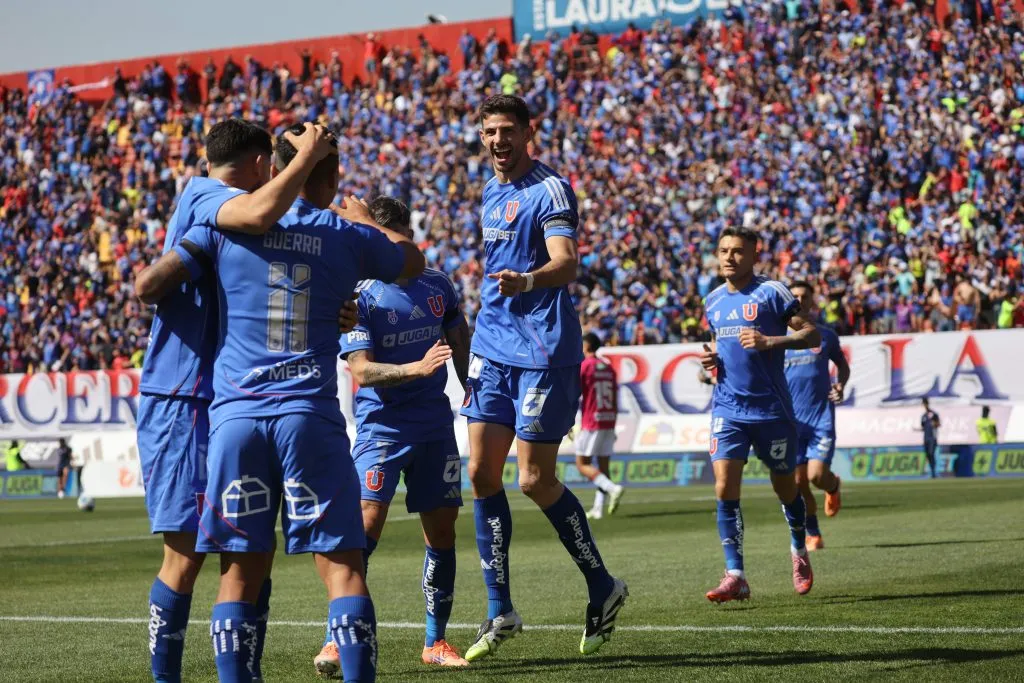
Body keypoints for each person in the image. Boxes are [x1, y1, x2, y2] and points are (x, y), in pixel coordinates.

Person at [136, 123, 423, 683]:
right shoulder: (324, 230)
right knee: (339, 566)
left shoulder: (223, 231)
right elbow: (409, 260)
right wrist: (361, 231)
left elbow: (154, 281)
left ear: (276, 167)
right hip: (276, 410)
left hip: (233, 413)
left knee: (240, 567)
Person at [133, 119, 334, 683]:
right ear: (253, 167)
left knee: (251, 550)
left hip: (236, 400)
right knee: (186, 555)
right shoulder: (206, 194)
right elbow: (261, 212)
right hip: (182, 395)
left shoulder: (240, 224)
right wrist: (305, 159)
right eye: (269, 169)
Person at [460, 94, 627, 661]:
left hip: (542, 352)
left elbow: (568, 263)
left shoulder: (550, 189)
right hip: (492, 347)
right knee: (481, 473)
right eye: (488, 131)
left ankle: (603, 585)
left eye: (507, 130)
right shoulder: (490, 189)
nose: (497, 140)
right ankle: (499, 608)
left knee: (532, 479)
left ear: (530, 132)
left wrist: (527, 282)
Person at [313, 196, 473, 675]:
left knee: (441, 532)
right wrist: (414, 367)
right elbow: (361, 369)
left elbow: (459, 338)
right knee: (363, 532)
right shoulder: (360, 295)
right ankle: (337, 639)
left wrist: (471, 389)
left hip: (434, 425)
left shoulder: (438, 285)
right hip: (382, 426)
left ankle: (435, 640)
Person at [700, 226, 821, 603]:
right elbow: (722, 347)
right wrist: (712, 361)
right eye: (723, 250)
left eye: (738, 251)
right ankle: (735, 575)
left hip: (771, 410)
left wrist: (773, 341)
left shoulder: (773, 292)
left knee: (786, 488)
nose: (729, 257)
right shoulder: (713, 301)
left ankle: (799, 549)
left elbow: (813, 335)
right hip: (727, 408)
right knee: (724, 486)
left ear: (753, 255)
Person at [783, 281, 851, 551]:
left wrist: (840, 385)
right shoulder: (777, 340)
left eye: (804, 296)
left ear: (812, 301)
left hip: (820, 419)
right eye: (794, 296)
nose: (799, 300)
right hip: (791, 423)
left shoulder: (825, 336)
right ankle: (813, 534)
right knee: (798, 483)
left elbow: (842, 366)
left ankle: (832, 485)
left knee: (816, 476)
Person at [575, 332, 624, 520]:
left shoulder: (585, 366)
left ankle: (613, 488)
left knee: (582, 464)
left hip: (592, 421)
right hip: (609, 419)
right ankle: (598, 508)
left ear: (586, 346)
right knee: (604, 466)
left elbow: (574, 392)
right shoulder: (609, 368)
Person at [921, 398, 941, 478]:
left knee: (931, 454)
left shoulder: (934, 414)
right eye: (923, 404)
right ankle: (932, 472)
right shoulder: (923, 416)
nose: (924, 405)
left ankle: (933, 473)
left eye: (925, 403)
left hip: (932, 438)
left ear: (927, 404)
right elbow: (923, 427)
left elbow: (938, 424)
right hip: (926, 438)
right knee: (928, 455)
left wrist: (935, 424)